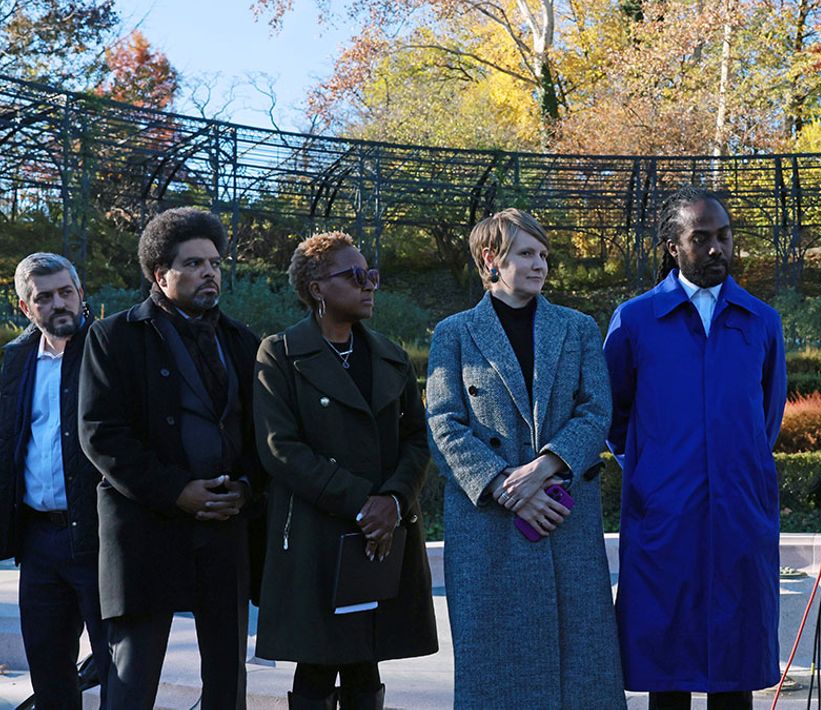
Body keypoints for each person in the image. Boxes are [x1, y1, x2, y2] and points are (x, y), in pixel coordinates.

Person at [427, 208, 625, 709]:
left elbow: (597, 407)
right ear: (491, 259)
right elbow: (443, 423)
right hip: (489, 528)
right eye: (526, 253)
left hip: (563, 516)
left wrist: (541, 470)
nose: (540, 264)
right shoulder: (453, 332)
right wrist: (503, 488)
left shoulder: (577, 328)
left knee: (581, 669)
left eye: (543, 254)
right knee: (496, 673)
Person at [603, 186, 788, 709]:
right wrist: (652, 475)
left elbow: (766, 417)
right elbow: (612, 415)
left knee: (736, 673)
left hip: (739, 513)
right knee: (668, 669)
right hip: (666, 515)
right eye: (700, 238)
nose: (716, 249)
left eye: (724, 237)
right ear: (672, 245)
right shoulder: (636, 320)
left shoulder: (760, 321)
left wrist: (737, 468)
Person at [78, 206, 263, 709]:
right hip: (145, 530)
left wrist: (245, 488)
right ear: (161, 274)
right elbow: (101, 434)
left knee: (228, 682)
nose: (210, 272)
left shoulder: (242, 340)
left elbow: (261, 434)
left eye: (215, 262)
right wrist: (177, 490)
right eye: (195, 263)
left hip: (225, 527)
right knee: (131, 681)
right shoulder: (114, 336)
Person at [253, 231, 439, 709]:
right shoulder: (280, 353)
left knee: (365, 656)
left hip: (382, 533)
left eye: (371, 274)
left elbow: (419, 440)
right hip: (317, 534)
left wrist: (393, 502)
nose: (369, 285)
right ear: (316, 288)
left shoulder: (390, 355)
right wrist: (364, 504)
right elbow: (280, 448)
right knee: (316, 660)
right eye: (356, 276)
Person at [0, 253, 108, 707]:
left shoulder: (109, 350)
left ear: (81, 294)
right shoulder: (14, 361)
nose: (59, 303)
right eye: (44, 297)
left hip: (103, 539)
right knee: (49, 672)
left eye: (66, 292)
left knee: (120, 670)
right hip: (39, 541)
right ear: (26, 308)